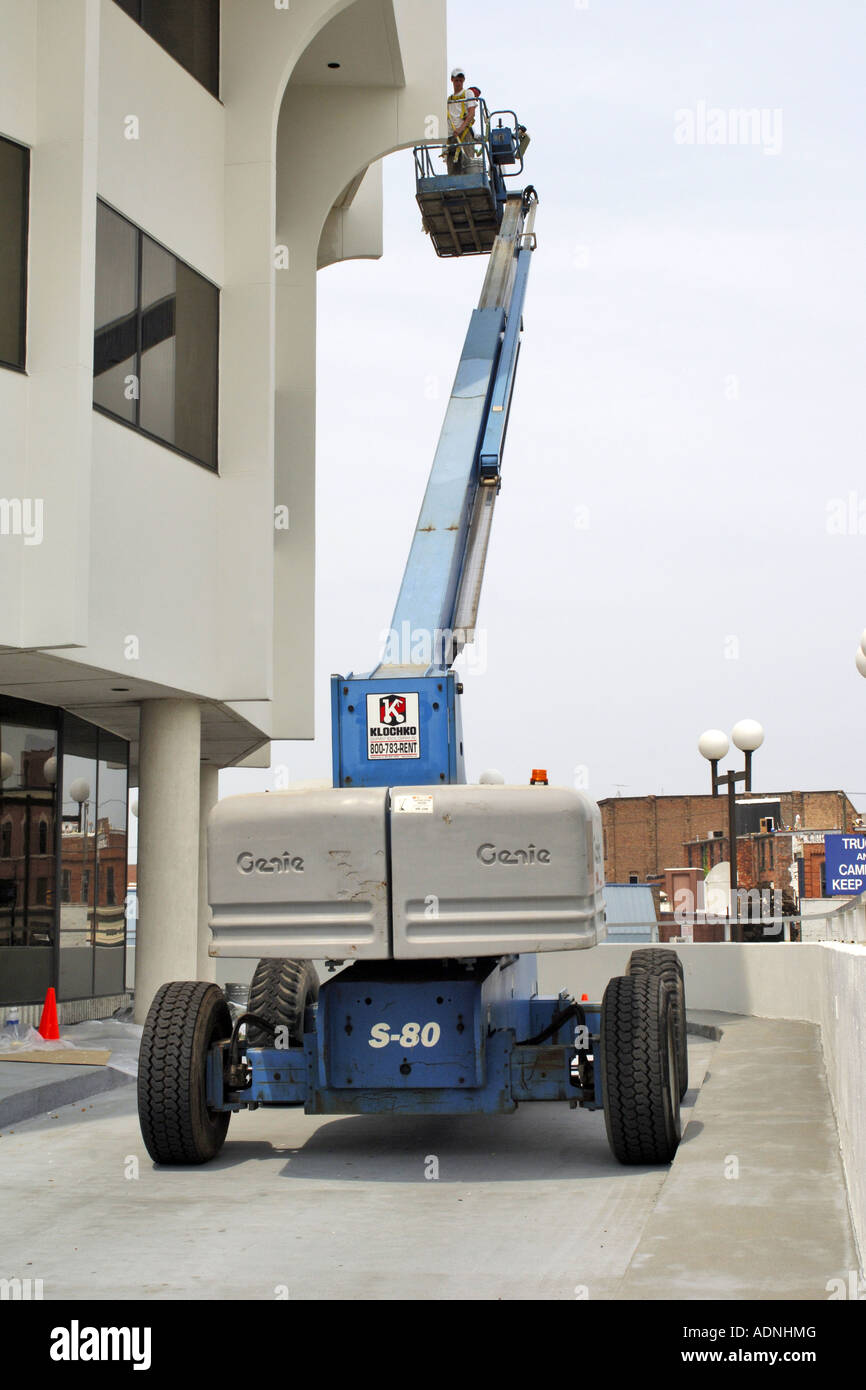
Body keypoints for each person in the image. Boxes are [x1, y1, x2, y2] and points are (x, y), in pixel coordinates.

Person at [446, 67, 477, 175]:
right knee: (452, 168)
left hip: (464, 134)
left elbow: (471, 113)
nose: (458, 82)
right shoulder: (449, 100)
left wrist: (460, 129)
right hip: (452, 136)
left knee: (468, 166)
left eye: (460, 80)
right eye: (456, 80)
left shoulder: (468, 93)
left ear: (463, 80)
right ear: (452, 80)